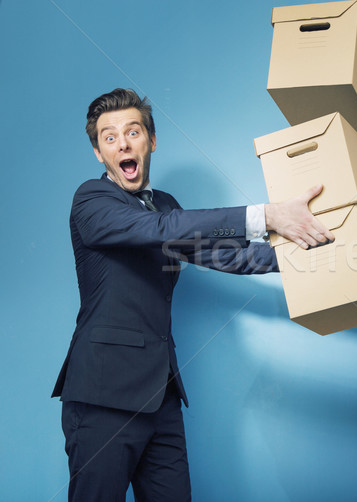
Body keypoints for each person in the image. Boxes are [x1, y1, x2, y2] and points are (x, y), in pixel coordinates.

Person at [51, 88, 334, 501]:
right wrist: (265, 215)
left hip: (161, 397)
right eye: (109, 137)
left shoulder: (164, 205)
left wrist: (309, 246)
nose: (123, 143)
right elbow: (163, 230)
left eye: (133, 132)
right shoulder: (91, 201)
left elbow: (223, 255)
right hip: (102, 397)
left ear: (151, 140)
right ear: (98, 152)